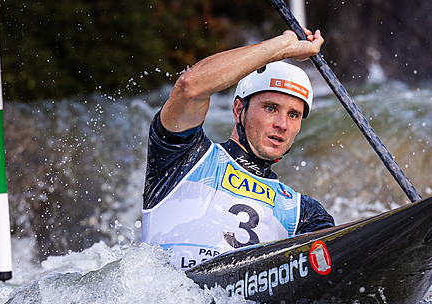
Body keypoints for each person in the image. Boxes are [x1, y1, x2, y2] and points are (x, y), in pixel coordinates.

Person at [141, 28, 335, 270]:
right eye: (270, 108)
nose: (282, 124)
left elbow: (335, 267)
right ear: (237, 110)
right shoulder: (182, 157)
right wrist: (283, 46)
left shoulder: (302, 213)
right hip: (169, 302)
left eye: (293, 114)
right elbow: (191, 86)